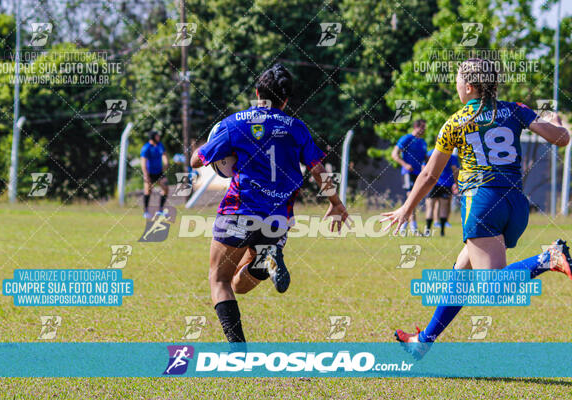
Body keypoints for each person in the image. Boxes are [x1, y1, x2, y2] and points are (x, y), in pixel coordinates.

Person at [382, 58, 571, 358]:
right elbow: (562, 138)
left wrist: (407, 207)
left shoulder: (456, 121)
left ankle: (550, 258)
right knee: (461, 271)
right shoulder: (515, 110)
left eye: (457, 80)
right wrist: (557, 119)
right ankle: (424, 342)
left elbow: (430, 174)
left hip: (482, 205)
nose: (455, 85)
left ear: (468, 86)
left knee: (492, 288)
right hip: (515, 205)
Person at [190, 64, 350, 343]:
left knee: (219, 281)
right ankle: (266, 260)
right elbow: (317, 169)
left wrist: (214, 143)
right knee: (240, 285)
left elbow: (195, 161)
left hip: (239, 211)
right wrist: (335, 202)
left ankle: (238, 350)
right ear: (286, 100)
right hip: (278, 219)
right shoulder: (297, 128)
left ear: (257, 93)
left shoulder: (235, 123)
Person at [391, 119, 427, 234]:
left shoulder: (423, 142)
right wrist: (405, 165)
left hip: (419, 175)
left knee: (414, 200)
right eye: (422, 127)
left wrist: (425, 166)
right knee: (411, 199)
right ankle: (411, 228)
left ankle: (406, 227)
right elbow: (394, 154)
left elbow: (425, 159)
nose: (424, 130)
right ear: (416, 127)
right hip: (409, 174)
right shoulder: (406, 139)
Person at [423, 148, 459, 236]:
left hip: (433, 184)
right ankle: (442, 232)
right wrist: (456, 183)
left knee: (430, 207)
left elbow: (424, 167)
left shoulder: (430, 153)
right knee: (443, 207)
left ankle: (427, 231)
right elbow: (455, 170)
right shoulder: (451, 155)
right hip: (446, 184)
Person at [140, 130, 169, 219]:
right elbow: (143, 163)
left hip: (159, 172)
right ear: (153, 137)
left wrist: (166, 163)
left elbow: (164, 154)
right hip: (149, 173)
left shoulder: (160, 145)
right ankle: (146, 212)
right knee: (148, 191)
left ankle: (160, 210)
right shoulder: (146, 148)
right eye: (157, 136)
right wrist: (146, 175)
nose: (159, 137)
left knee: (166, 188)